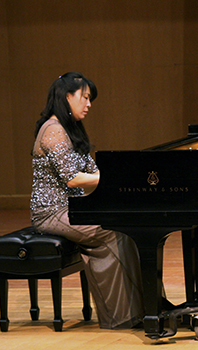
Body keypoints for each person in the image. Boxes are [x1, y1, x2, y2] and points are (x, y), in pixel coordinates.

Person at [30, 72, 144, 329]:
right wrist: (114, 179)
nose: (89, 103)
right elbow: (73, 179)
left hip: (71, 207)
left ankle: (141, 307)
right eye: (85, 97)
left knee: (127, 229)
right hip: (51, 212)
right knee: (112, 232)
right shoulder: (53, 130)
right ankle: (120, 316)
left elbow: (92, 171)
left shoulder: (70, 130)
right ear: (67, 97)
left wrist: (115, 177)